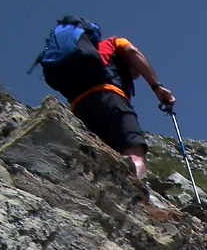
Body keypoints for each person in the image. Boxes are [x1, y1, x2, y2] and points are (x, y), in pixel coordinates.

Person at [70, 33, 175, 178]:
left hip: (78, 108)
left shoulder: (78, 58)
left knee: (101, 158)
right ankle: (133, 190)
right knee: (134, 154)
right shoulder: (114, 42)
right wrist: (157, 87)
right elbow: (132, 51)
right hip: (109, 96)